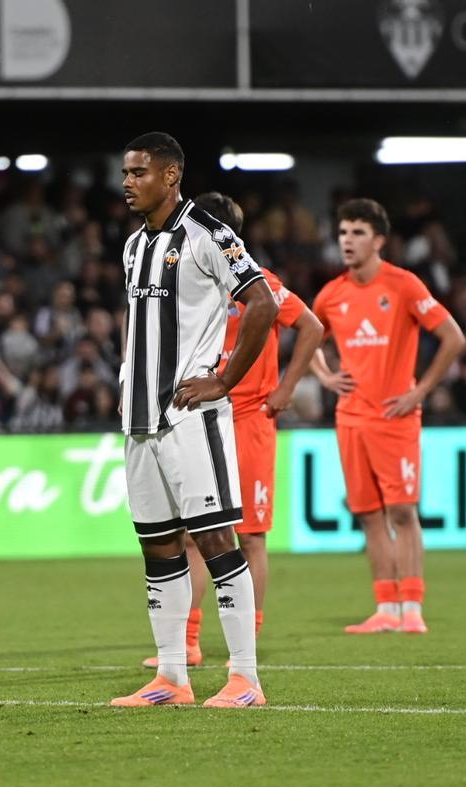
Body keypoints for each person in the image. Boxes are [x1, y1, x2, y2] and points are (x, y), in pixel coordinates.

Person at [112, 133, 277, 708]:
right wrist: (127, 381)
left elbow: (263, 302)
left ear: (171, 175)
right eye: (126, 173)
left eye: (139, 172)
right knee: (159, 548)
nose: (128, 182)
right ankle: (171, 678)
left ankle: (246, 679)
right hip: (140, 420)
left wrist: (224, 380)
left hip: (190, 416)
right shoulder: (133, 246)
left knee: (215, 540)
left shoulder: (209, 234)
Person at [141, 191, 323, 668]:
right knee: (194, 534)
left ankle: (248, 643)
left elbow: (311, 326)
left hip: (249, 419)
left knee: (251, 535)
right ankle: (190, 641)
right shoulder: (187, 282)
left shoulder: (260, 283)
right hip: (199, 418)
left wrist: (286, 388)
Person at [310, 199, 465, 635]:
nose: (347, 241)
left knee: (401, 511)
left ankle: (411, 607)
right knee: (369, 515)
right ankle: (385, 607)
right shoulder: (332, 294)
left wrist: (419, 390)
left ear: (378, 240)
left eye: (357, 233)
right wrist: (324, 375)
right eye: (343, 232)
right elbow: (307, 336)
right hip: (351, 418)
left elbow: (453, 337)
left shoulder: (403, 285)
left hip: (395, 417)